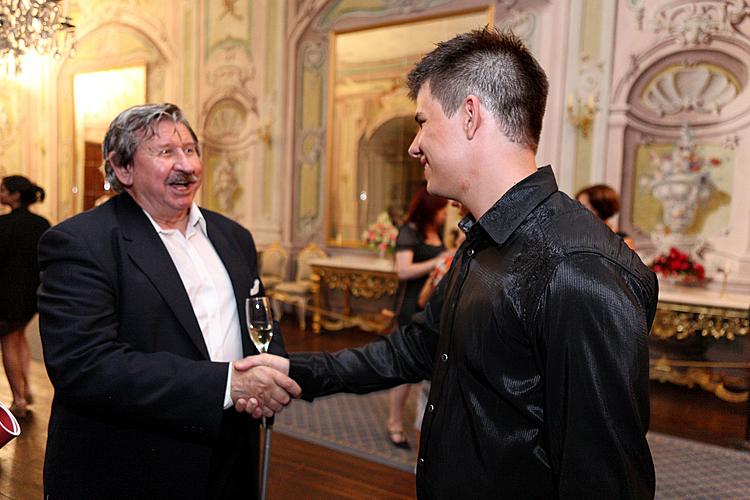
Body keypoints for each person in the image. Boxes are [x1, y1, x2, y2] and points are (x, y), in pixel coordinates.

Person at [238, 27, 658, 498]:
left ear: (470, 116)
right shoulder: (483, 239)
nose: (414, 146)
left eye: (422, 122)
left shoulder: (576, 268)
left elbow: (605, 480)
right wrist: (295, 372)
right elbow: (416, 348)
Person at [37, 103, 301, 498]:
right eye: (165, 152)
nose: (187, 165)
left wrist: (267, 371)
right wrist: (228, 385)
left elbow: (257, 320)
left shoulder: (234, 237)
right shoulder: (81, 242)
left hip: (231, 454)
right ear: (122, 168)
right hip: (132, 464)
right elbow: (85, 366)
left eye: (191, 150)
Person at [387, 188, 448, 448]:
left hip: (432, 307)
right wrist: (437, 260)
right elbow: (403, 271)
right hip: (412, 306)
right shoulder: (408, 231)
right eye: (442, 209)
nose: (445, 215)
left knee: (426, 370)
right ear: (430, 209)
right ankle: (394, 423)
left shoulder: (436, 233)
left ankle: (420, 423)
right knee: (405, 370)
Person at [0, 175, 50, 418]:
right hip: (32, 292)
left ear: (15, 195)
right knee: (19, 338)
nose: (0, 194)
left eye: (3, 190)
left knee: (9, 341)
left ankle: (18, 399)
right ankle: (27, 389)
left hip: (7, 294)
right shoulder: (42, 222)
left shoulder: (4, 224)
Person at [576, 184, 635, 248]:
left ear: (599, 208)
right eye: (577, 205)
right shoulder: (577, 235)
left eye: (583, 206)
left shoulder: (623, 242)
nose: (577, 210)